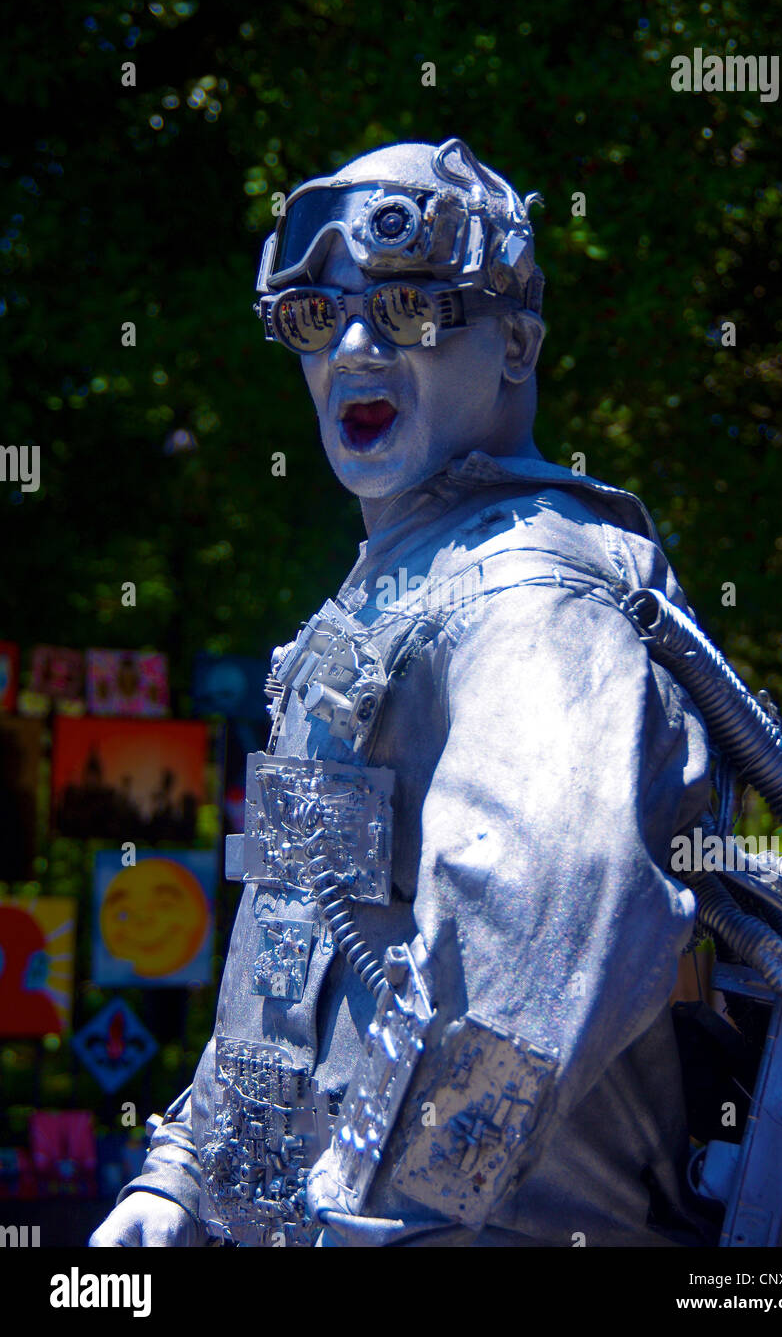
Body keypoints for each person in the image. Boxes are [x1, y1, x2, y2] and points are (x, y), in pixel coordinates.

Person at [91, 137, 715, 1248]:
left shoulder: (531, 594)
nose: (357, 348)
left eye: (414, 309)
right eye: (315, 319)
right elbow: (289, 945)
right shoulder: (396, 597)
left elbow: (541, 934)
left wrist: (398, 1216)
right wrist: (184, 1185)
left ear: (517, 342)